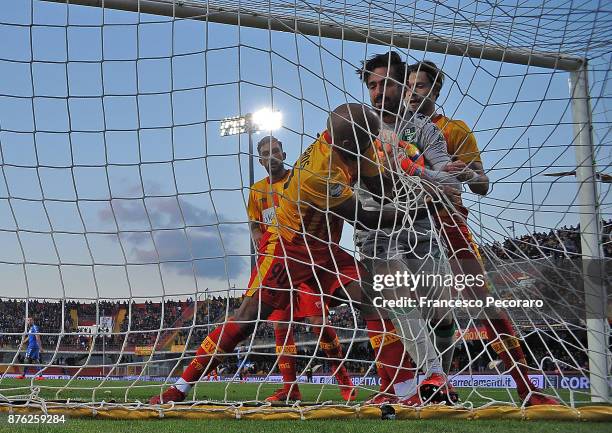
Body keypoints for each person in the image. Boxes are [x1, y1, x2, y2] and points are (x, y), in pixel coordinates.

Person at [149, 103, 413, 405]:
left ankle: (399, 389)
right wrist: (418, 208)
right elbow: (365, 218)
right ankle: (179, 388)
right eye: (369, 138)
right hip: (288, 250)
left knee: (372, 301)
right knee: (247, 320)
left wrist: (411, 178)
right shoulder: (316, 174)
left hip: (324, 251)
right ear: (347, 142)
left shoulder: (355, 145)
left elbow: (382, 187)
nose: (373, 142)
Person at [405, 60, 558, 406]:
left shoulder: (454, 129)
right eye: (409, 85)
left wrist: (464, 174)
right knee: (412, 307)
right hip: (406, 226)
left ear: (436, 90)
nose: (413, 92)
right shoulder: (395, 130)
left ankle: (526, 387)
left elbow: (483, 184)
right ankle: (429, 385)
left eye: (421, 85)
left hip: (447, 219)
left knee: (481, 301)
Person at [357, 51, 460, 405]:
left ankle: (439, 380)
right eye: (372, 84)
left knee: (441, 312)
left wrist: (451, 177)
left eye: (386, 83)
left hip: (419, 222)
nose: (378, 91)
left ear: (403, 87)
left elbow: (446, 172)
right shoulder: (358, 125)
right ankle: (432, 374)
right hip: (375, 226)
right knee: (400, 297)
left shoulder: (424, 129)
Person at [247, 136, 356, 402]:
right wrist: (265, 251)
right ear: (260, 161)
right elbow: (254, 226)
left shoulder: (297, 178)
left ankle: (345, 383)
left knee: (319, 323)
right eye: (265, 153)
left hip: (308, 259)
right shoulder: (257, 191)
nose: (271, 156)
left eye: (275, 150)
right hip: (279, 262)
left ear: (284, 153)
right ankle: (290, 388)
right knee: (281, 325)